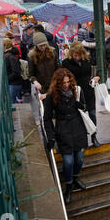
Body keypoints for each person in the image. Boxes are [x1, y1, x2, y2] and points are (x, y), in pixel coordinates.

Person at [43, 68, 88, 204]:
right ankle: (68, 186)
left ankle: (75, 178)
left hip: (77, 126)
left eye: (68, 82)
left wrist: (81, 105)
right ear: (57, 83)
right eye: (63, 83)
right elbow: (47, 118)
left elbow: (85, 106)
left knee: (79, 158)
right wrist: (50, 136)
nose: (66, 85)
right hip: (63, 128)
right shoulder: (52, 96)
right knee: (68, 161)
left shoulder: (76, 91)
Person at [62, 40, 101, 148]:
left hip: (89, 91)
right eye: (75, 55)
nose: (77, 57)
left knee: (92, 114)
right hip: (75, 94)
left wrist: (97, 77)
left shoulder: (87, 60)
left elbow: (96, 71)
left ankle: (94, 137)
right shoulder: (66, 63)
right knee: (79, 117)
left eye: (79, 54)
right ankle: (81, 140)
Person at [28, 32, 60, 100]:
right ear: (36, 46)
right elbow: (31, 74)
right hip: (41, 87)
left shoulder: (53, 53)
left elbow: (58, 69)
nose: (43, 47)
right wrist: (35, 82)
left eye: (44, 45)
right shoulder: (32, 56)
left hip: (54, 86)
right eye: (40, 46)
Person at [3, 38, 23, 104]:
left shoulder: (11, 57)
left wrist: (6, 79)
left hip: (14, 84)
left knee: (12, 102)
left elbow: (16, 72)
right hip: (13, 83)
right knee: (12, 101)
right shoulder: (10, 55)